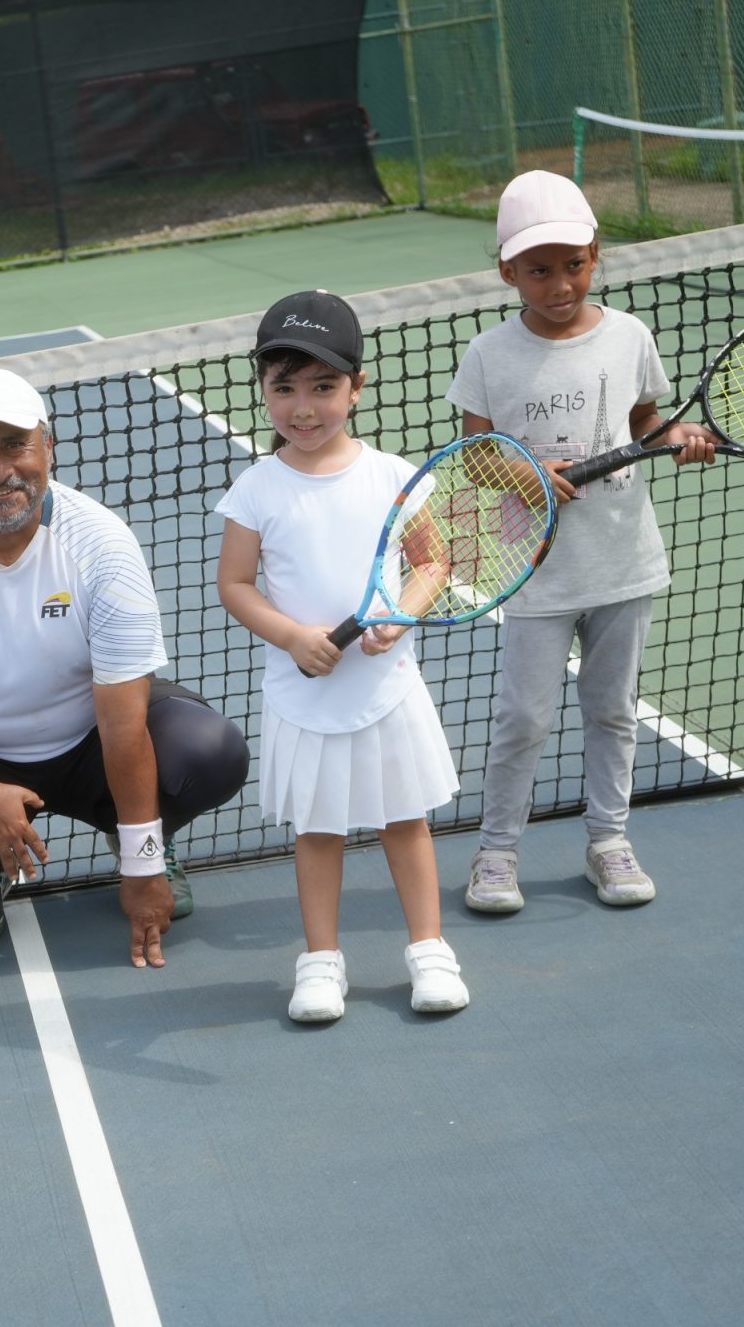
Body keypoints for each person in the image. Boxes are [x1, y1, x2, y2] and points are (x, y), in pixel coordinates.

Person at [0, 367, 248, 968]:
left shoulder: (102, 544)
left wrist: (141, 863)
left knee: (211, 751)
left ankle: (140, 834)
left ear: (48, 446)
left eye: (15, 444)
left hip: (91, 743)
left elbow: (122, 722)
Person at [453, 171, 715, 915]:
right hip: (535, 573)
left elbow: (645, 425)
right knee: (523, 719)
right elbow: (474, 458)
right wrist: (526, 471)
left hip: (623, 563)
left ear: (596, 256)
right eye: (539, 269)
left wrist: (680, 436)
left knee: (613, 711)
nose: (560, 283)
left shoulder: (630, 337)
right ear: (508, 271)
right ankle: (496, 853)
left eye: (574, 264)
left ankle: (609, 840)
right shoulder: (488, 355)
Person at [216, 291, 469, 1022]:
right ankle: (321, 962)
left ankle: (430, 951)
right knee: (318, 830)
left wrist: (402, 615)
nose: (303, 407)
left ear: (357, 387)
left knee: (404, 819)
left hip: (385, 684)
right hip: (305, 693)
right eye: (284, 388)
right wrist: (292, 636)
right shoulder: (255, 489)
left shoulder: (392, 476)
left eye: (323, 387)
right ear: (263, 389)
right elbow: (235, 585)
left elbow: (432, 563)